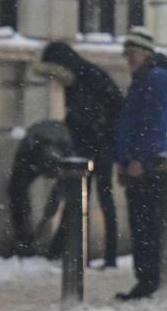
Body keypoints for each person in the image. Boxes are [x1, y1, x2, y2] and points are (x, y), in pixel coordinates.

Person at [33, 41, 125, 267]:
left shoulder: (81, 78)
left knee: (83, 197)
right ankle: (90, 251)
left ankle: (64, 249)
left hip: (96, 144)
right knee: (93, 198)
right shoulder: (86, 74)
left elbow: (84, 114)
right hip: (97, 143)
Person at [113, 27, 167, 301]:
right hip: (138, 162)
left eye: (134, 53)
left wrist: (139, 159)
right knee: (141, 223)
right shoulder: (144, 79)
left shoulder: (155, 79)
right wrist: (124, 158)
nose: (130, 59)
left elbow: (153, 124)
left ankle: (150, 279)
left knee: (146, 224)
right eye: (128, 54)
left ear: (145, 53)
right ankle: (146, 278)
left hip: (146, 165)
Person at [7, 120, 75, 257]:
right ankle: (24, 238)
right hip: (35, 151)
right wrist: (25, 220)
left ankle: (57, 247)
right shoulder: (28, 150)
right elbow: (17, 187)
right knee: (17, 191)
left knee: (72, 197)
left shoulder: (66, 151)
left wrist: (47, 215)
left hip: (56, 152)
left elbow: (58, 194)